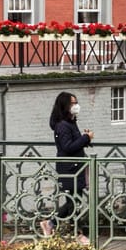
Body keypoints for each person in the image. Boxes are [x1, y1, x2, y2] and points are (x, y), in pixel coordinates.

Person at [48, 91, 92, 235]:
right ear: (65, 105)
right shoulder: (63, 126)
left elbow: (73, 144)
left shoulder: (70, 123)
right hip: (70, 167)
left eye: (76, 102)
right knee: (73, 201)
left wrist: (85, 139)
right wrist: (85, 138)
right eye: (73, 103)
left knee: (74, 201)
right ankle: (54, 224)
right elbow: (67, 147)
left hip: (75, 166)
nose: (76, 106)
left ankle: (73, 231)